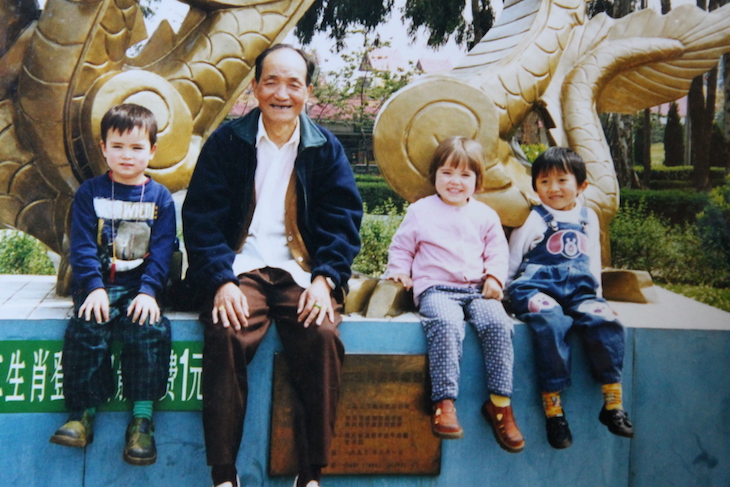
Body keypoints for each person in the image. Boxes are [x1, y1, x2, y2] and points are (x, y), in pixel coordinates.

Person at [182, 44, 363, 487]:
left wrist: (327, 279)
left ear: (308, 92)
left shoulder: (326, 148)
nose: (282, 93)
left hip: (301, 271)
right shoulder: (227, 142)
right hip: (240, 266)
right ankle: (224, 474)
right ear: (255, 87)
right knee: (226, 331)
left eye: (293, 84)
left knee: (322, 336)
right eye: (272, 82)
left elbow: (343, 221)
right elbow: (201, 219)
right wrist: (220, 280)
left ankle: (311, 473)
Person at [50, 103, 176, 466]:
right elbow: (83, 245)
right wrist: (92, 287)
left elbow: (164, 248)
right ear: (103, 147)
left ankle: (141, 419)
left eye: (137, 148)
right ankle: (82, 414)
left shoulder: (160, 198)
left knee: (150, 331)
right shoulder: (90, 193)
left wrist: (150, 291)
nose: (126, 155)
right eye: (118, 146)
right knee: (86, 327)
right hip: (99, 286)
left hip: (140, 288)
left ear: (152, 150)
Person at [386, 136, 525, 453]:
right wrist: (399, 271)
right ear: (435, 174)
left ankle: (500, 404)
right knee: (447, 326)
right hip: (436, 288)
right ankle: (444, 402)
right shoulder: (421, 211)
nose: (455, 181)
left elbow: (497, 253)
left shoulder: (486, 216)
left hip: (477, 290)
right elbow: (402, 247)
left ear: (477, 181)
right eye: (447, 172)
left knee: (498, 325)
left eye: (465, 175)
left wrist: (494, 277)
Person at [506, 146, 634, 449]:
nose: (553, 189)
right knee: (552, 324)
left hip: (579, 290)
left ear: (581, 185)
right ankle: (553, 408)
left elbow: (592, 262)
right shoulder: (533, 218)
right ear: (535, 186)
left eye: (562, 180)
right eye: (544, 182)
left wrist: (598, 299)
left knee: (606, 321)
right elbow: (512, 260)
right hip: (536, 288)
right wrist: (507, 294)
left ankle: (612, 402)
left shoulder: (589, 219)